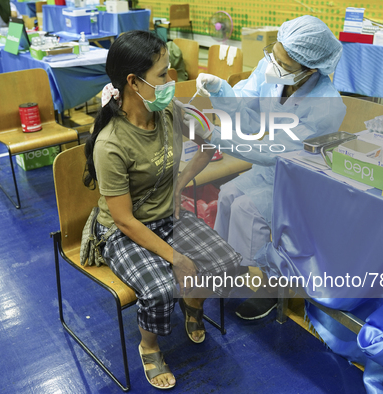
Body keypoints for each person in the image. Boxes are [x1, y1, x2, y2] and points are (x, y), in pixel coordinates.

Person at [83, 31, 241, 389]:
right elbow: (123, 219)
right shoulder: (111, 144)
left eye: (170, 71)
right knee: (159, 289)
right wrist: (177, 258)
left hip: (167, 217)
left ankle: (193, 306)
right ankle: (149, 346)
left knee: (226, 262)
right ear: (132, 82)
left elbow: (206, 142)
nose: (171, 81)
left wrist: (181, 182)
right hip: (124, 231)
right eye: (162, 75)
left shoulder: (168, 109)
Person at [191, 15, 347, 320]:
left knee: (248, 209)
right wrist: (221, 88)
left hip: (303, 177)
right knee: (227, 194)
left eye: (284, 64)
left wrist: (215, 137)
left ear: (310, 68)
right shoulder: (272, 68)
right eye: (273, 55)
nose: (273, 65)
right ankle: (226, 266)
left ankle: (266, 288)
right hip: (271, 169)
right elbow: (247, 104)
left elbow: (274, 151)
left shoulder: (328, 104)